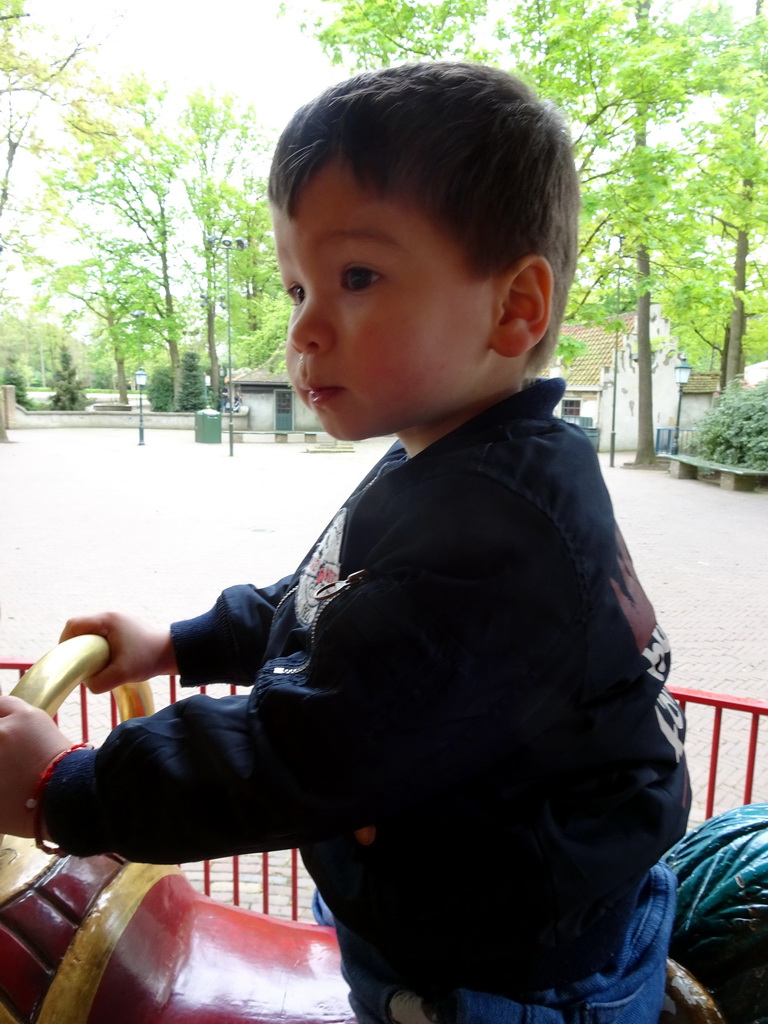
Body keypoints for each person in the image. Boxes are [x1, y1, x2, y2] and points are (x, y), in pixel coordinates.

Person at [0, 63, 689, 1024]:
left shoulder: (503, 528)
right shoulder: (458, 462)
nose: (306, 328)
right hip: (451, 888)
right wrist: (185, 643)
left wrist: (62, 790)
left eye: (356, 277)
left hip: (508, 964)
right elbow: (330, 596)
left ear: (516, 307)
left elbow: (311, 746)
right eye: (296, 286)